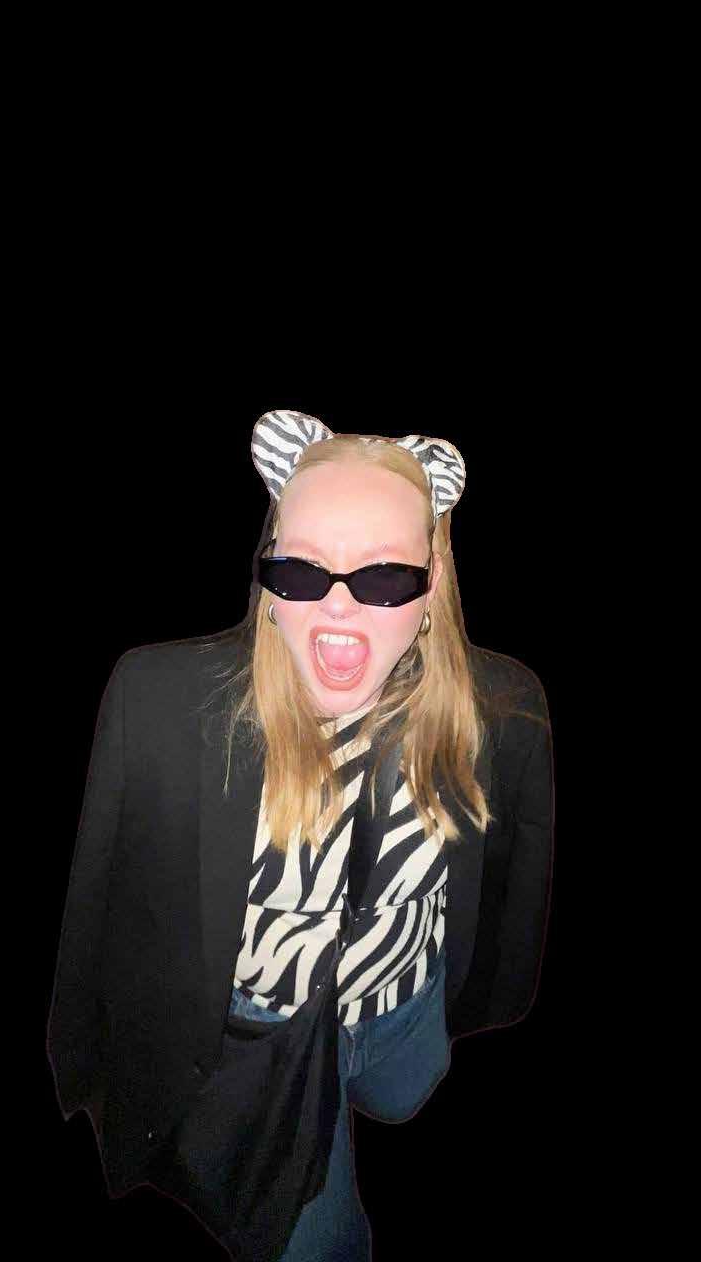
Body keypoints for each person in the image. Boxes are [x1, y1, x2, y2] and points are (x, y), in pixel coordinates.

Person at [47, 411, 553, 1261]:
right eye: (302, 569)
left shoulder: (502, 712)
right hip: (261, 1041)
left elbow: (514, 887)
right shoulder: (159, 704)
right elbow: (99, 905)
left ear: (432, 585)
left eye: (384, 576)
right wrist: (80, 1068)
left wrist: (485, 1008)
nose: (338, 604)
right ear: (268, 577)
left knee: (401, 1099)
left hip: (405, 1012)